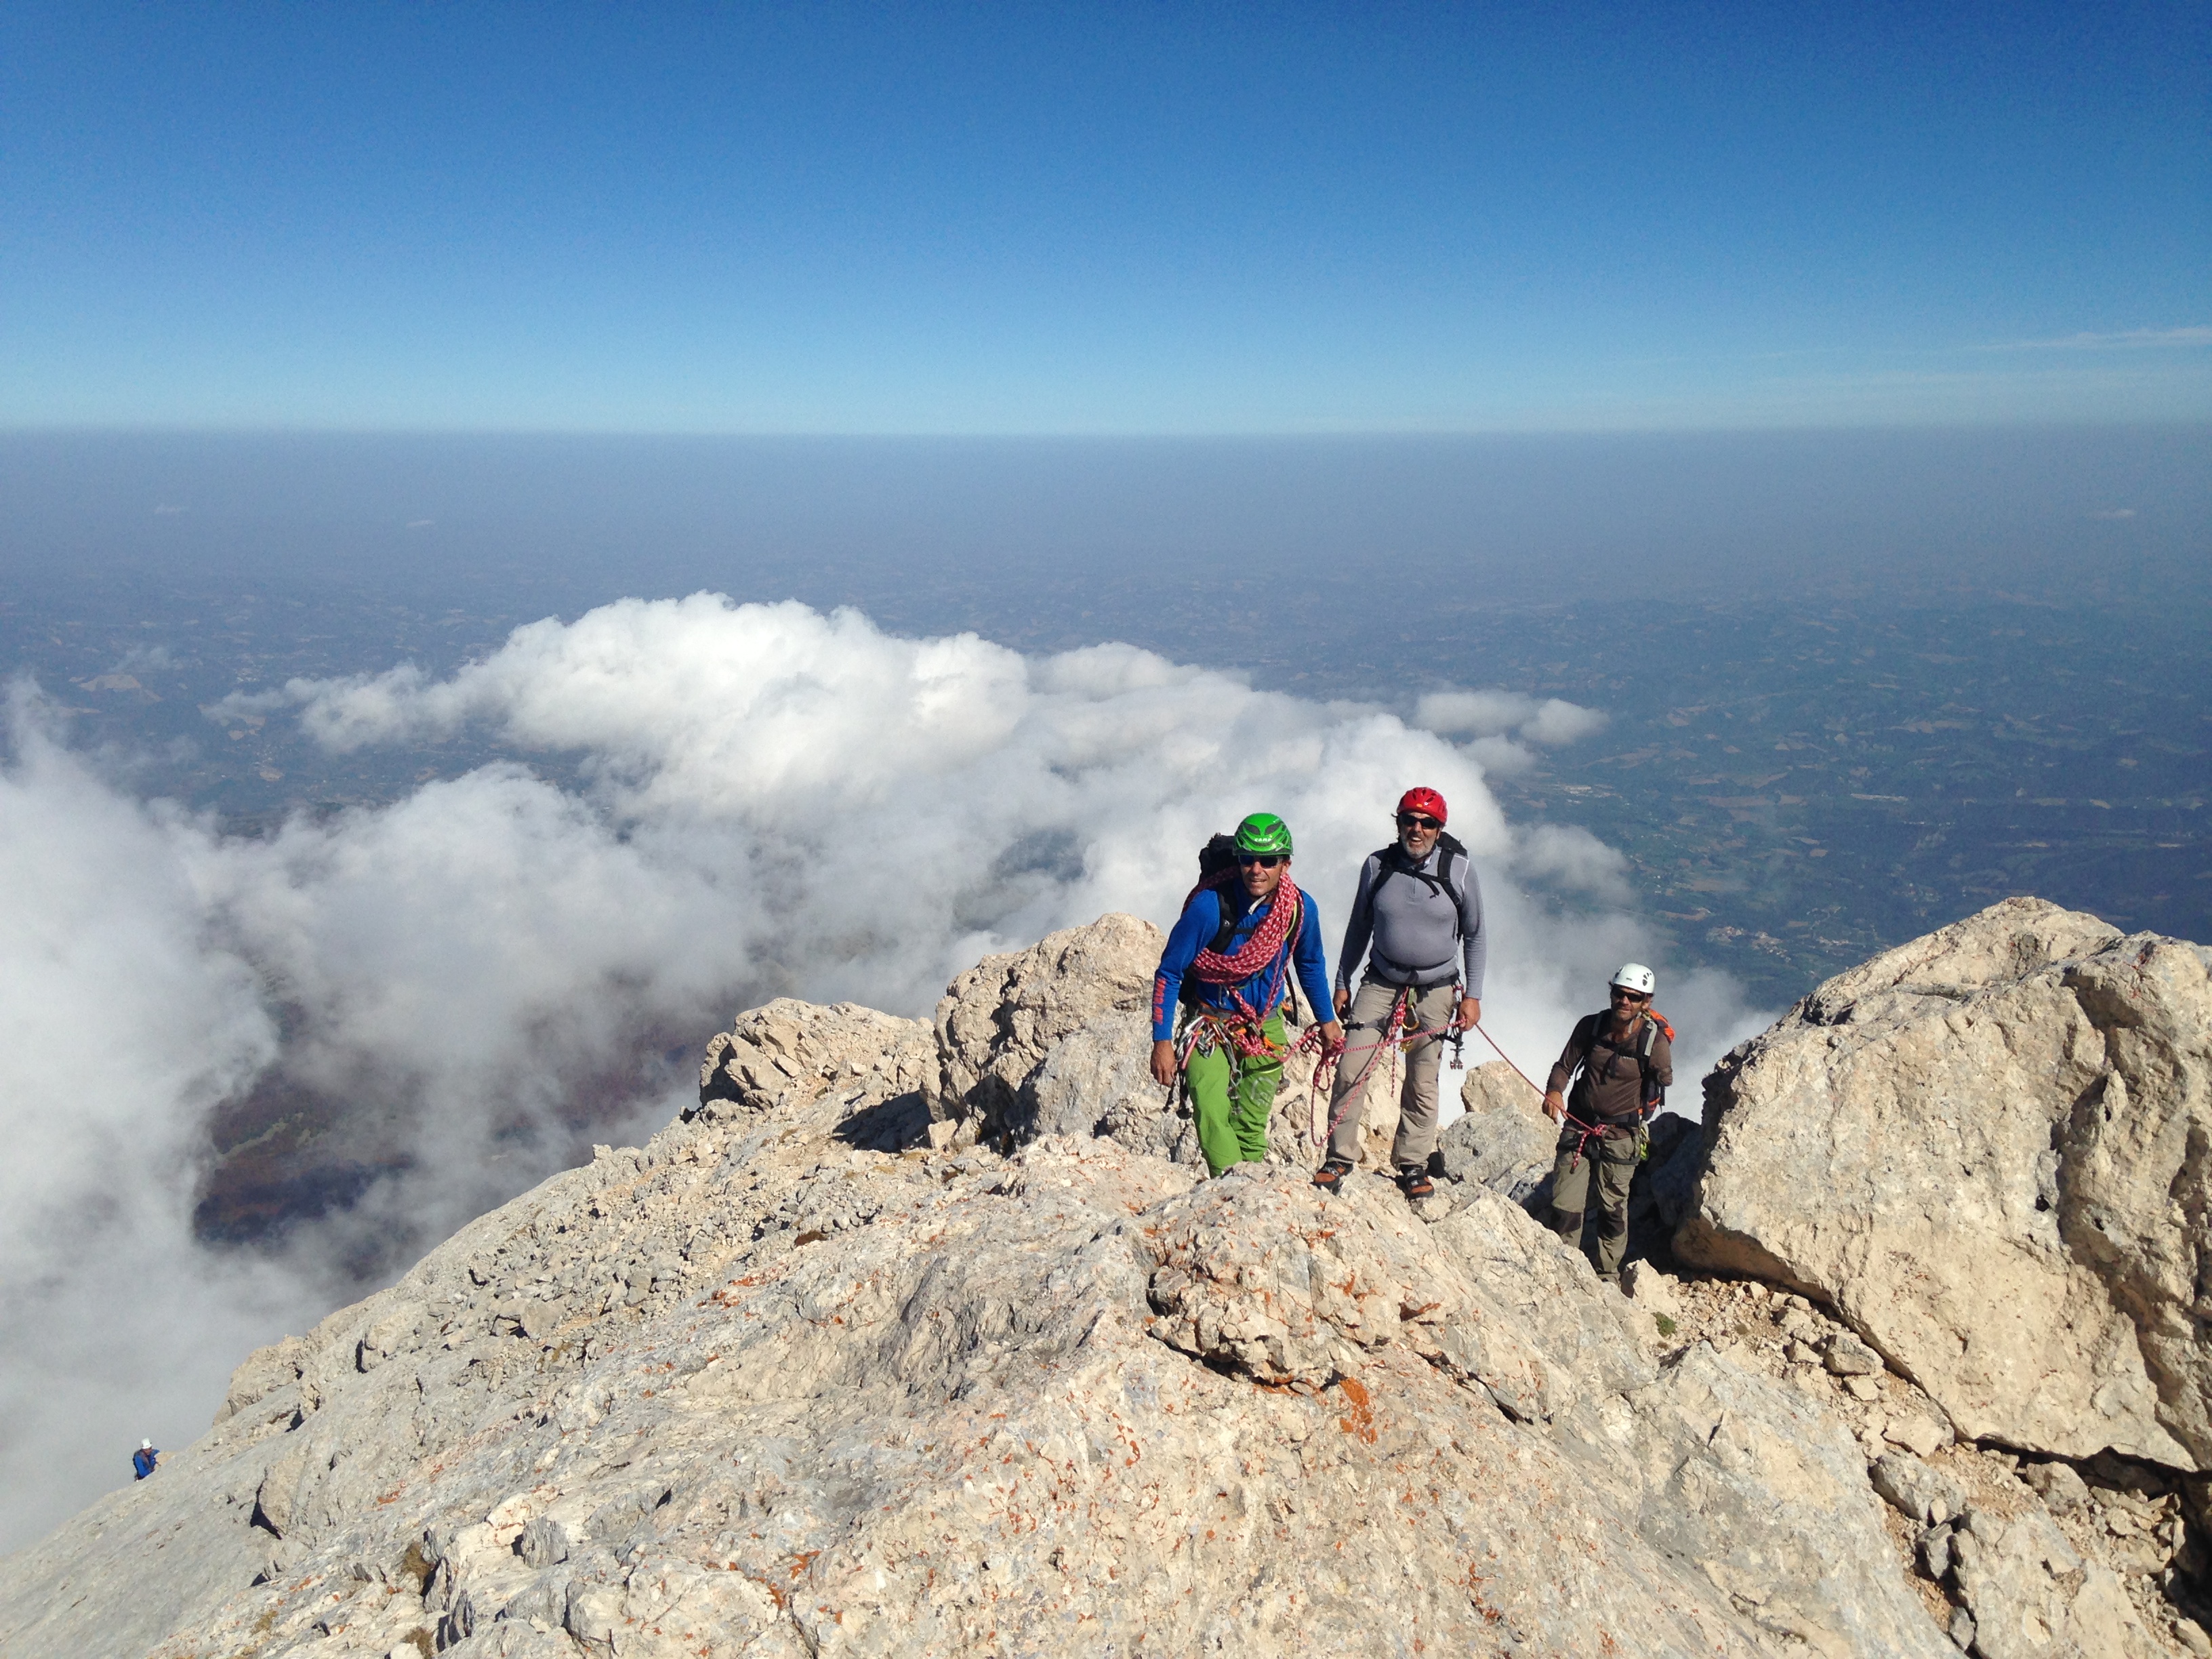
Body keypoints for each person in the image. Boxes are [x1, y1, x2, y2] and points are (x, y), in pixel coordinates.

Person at [1314, 787, 1486, 1200]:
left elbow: (1476, 935)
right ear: (1398, 824)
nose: (1417, 829)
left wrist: (1473, 995)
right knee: (1352, 1067)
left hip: (1437, 987)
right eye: (1410, 820)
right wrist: (1342, 981)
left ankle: (1412, 1163)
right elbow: (1359, 927)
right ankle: (1339, 1157)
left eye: (1427, 823)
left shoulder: (1459, 871)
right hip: (1381, 980)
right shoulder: (1377, 866)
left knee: (1423, 1079)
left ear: (1440, 829)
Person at [1151, 813, 1344, 1178]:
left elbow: (1309, 965)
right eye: (1247, 859)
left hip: (1264, 1025)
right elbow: (1170, 971)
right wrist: (1162, 1041)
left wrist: (1327, 1021)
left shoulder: (1298, 909)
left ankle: (1248, 1187)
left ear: (1285, 864)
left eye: (1268, 861)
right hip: (1209, 1024)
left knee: (1252, 1123)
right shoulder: (1210, 907)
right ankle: (1231, 1188)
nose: (1256, 870)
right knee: (1211, 1113)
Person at [1542, 964, 1673, 1282]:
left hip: (1621, 1133)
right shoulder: (1591, 1026)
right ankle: (1564, 1267)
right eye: (1619, 993)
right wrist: (1554, 1091)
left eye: (1634, 997)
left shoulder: (1653, 1042)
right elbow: (1565, 1065)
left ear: (1646, 1002)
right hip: (1579, 1126)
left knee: (1612, 1209)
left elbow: (1663, 1080)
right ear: (1612, 992)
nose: (1624, 1001)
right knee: (1564, 1205)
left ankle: (1607, 1273)